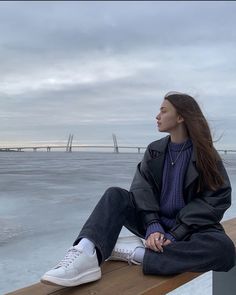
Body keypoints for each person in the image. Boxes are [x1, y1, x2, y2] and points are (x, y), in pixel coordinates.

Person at [41, 91, 235, 287]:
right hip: (152, 225)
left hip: (187, 229)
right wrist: (152, 225)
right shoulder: (154, 150)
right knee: (115, 195)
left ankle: (137, 253)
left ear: (180, 117)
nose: (157, 116)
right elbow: (141, 188)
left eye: (163, 111)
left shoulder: (205, 155)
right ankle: (85, 253)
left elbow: (216, 198)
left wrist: (177, 232)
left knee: (224, 249)